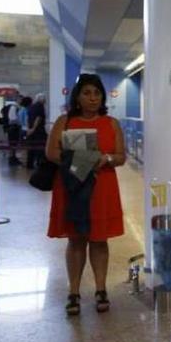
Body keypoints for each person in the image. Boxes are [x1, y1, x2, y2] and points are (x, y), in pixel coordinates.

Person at [46, 75, 125, 316]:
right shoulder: (65, 121)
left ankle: (101, 289)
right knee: (76, 238)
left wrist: (106, 158)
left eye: (97, 93)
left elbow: (121, 156)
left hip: (102, 187)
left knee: (100, 239)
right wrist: (80, 162)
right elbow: (51, 152)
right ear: (77, 97)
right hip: (73, 186)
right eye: (87, 93)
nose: (93, 98)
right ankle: (74, 291)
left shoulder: (111, 123)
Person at [26, 93, 48, 169]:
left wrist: (29, 129)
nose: (45, 101)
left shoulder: (31, 107)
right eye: (44, 99)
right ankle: (40, 164)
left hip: (30, 129)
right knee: (41, 147)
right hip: (38, 130)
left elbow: (28, 119)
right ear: (42, 100)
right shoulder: (40, 106)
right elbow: (38, 118)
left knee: (31, 148)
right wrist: (33, 129)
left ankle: (29, 164)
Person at [5, 98, 22, 165]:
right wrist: (19, 122)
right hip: (13, 128)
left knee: (14, 144)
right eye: (20, 99)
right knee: (12, 143)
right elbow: (12, 118)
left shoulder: (16, 107)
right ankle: (12, 159)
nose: (21, 101)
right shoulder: (13, 107)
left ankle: (14, 158)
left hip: (14, 128)